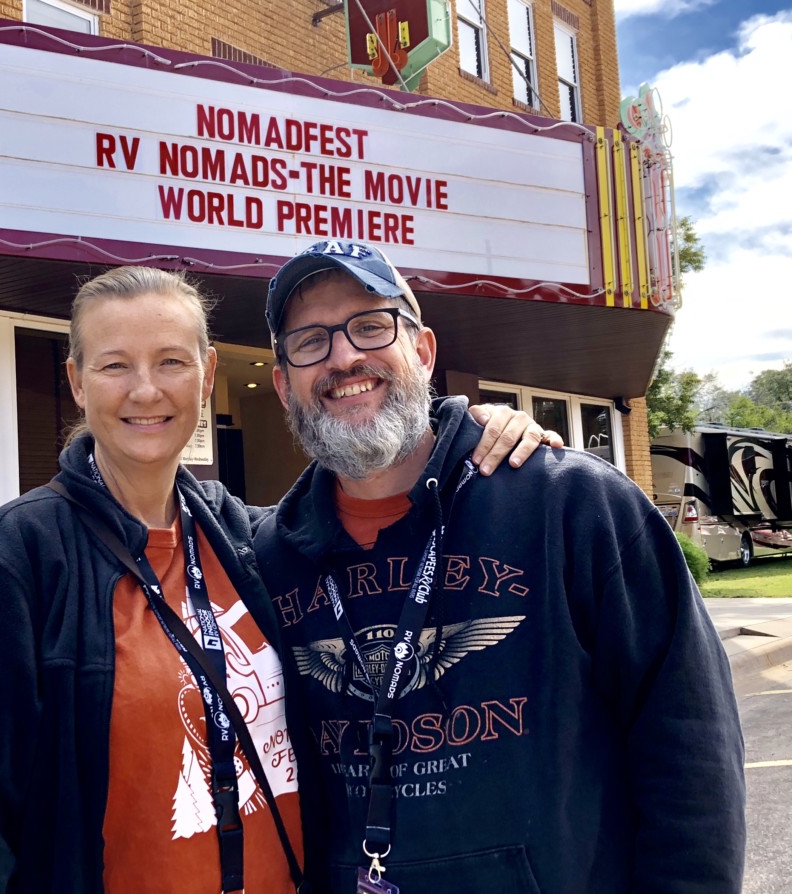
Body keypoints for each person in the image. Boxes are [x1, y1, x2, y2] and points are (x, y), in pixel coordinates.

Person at [0, 265, 554, 894]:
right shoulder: (14, 562)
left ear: (209, 375)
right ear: (76, 382)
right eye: (115, 364)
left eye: (171, 362)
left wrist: (472, 434)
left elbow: (386, 501)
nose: (146, 390)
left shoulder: (251, 539)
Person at [253, 239, 747, 894]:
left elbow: (691, 754)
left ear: (422, 351)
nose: (344, 357)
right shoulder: (266, 557)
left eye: (370, 326)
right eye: (310, 341)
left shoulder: (571, 506)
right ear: (284, 383)